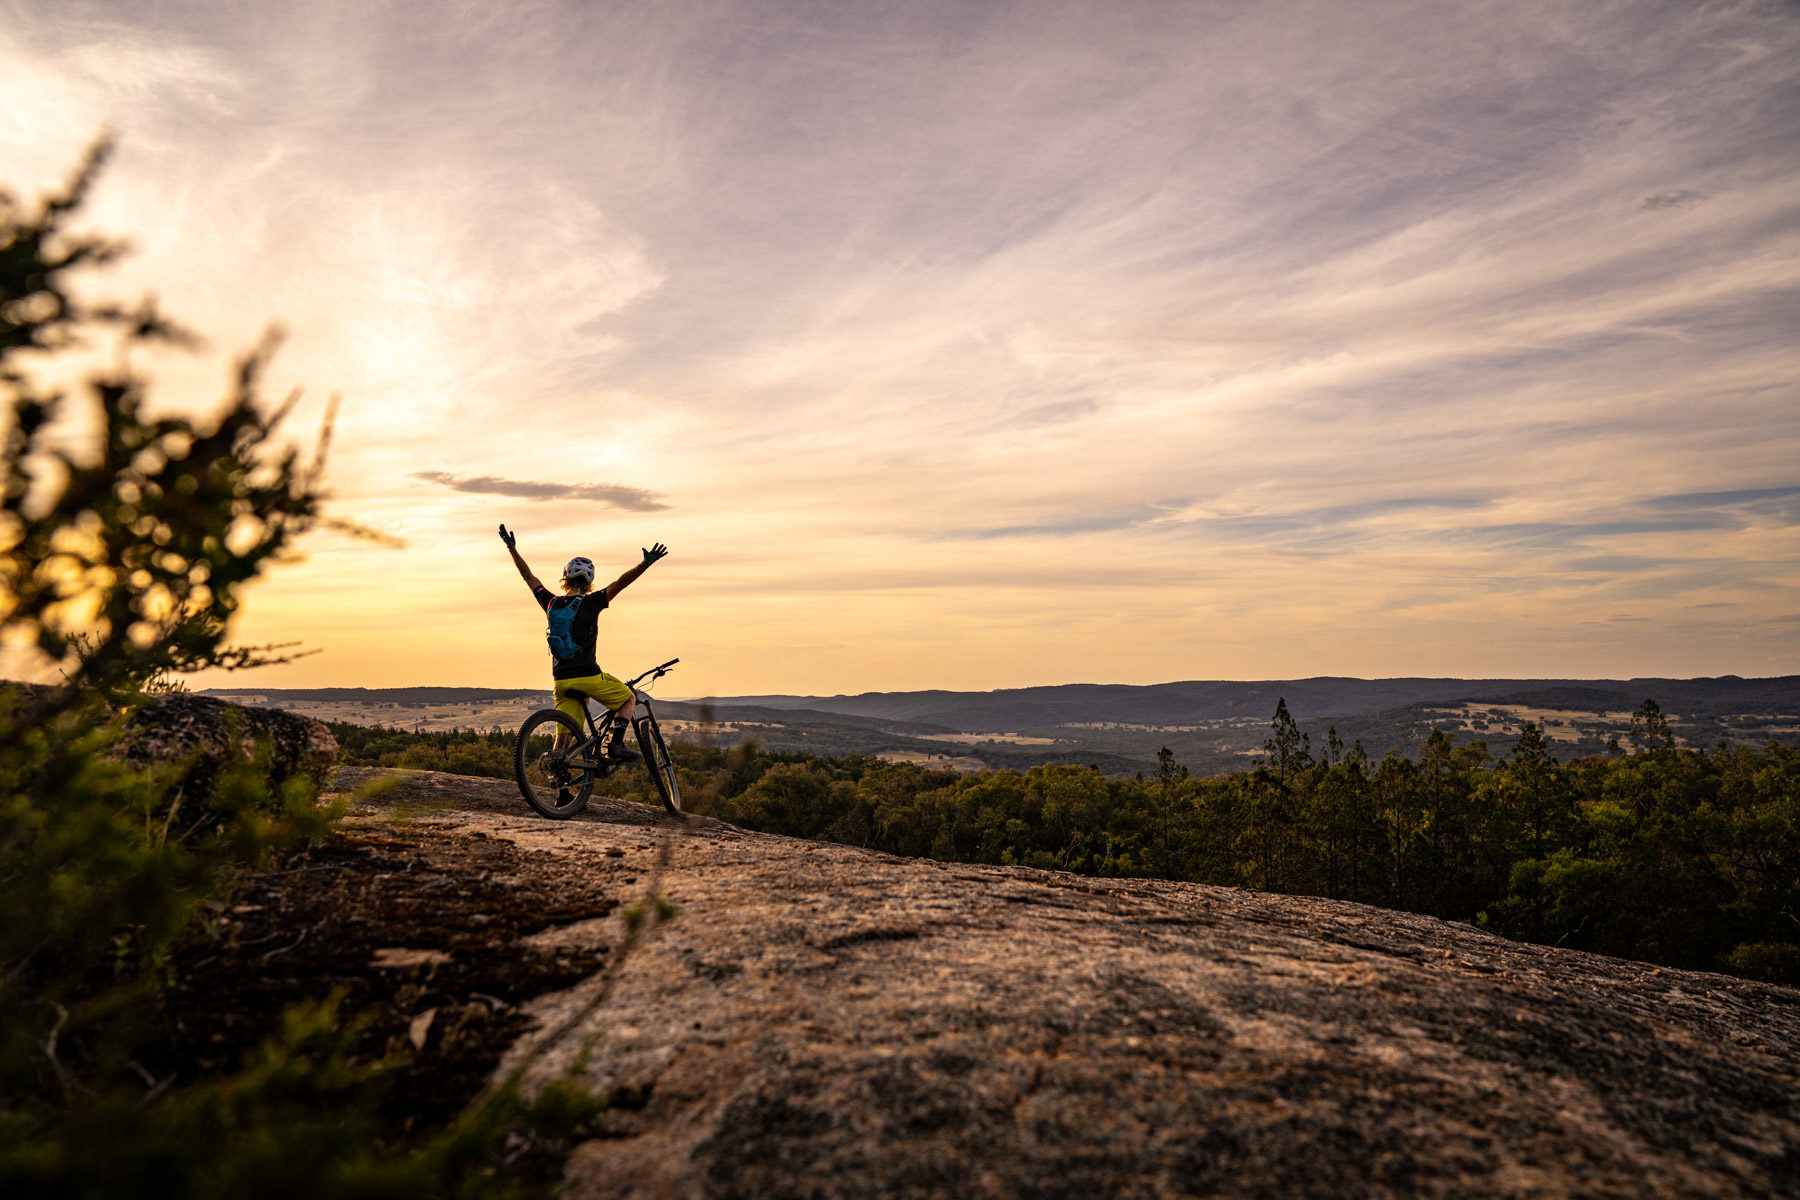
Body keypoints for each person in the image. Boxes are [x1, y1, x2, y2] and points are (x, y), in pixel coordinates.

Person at [499, 524, 668, 758]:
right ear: (589, 582)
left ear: (565, 578)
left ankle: (561, 786)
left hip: (561, 681)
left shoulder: (550, 603)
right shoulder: (593, 602)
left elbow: (529, 577)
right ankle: (616, 745)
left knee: (564, 740)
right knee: (628, 699)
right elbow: (621, 582)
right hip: (588, 676)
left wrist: (512, 549)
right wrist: (645, 564)